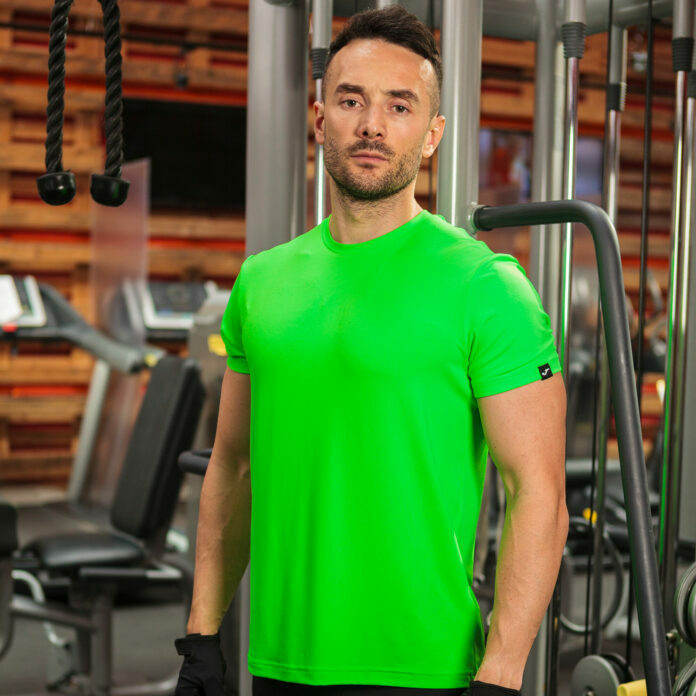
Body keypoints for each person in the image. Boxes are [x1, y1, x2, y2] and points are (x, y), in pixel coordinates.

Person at [174, 7, 569, 696]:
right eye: (352, 101)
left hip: (426, 670)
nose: (372, 126)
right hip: (279, 662)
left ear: (433, 133)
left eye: (400, 105)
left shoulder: (485, 286)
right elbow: (234, 465)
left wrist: (502, 676)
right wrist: (203, 633)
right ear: (321, 118)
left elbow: (539, 494)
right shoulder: (262, 282)